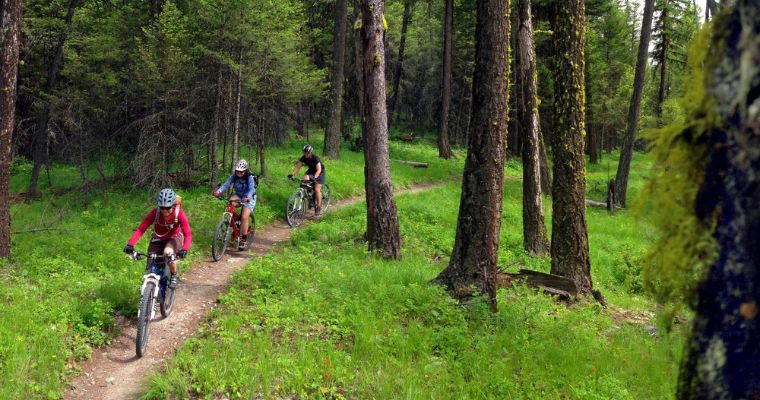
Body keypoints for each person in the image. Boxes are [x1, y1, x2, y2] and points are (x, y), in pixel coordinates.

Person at [124, 188, 192, 289]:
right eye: (162, 207)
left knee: (167, 252)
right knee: (150, 266)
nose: (164, 211)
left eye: (168, 208)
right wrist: (130, 244)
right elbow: (141, 229)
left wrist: (184, 249)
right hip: (158, 238)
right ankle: (149, 294)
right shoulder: (155, 213)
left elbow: (188, 234)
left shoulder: (179, 214)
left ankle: (174, 275)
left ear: (173, 205)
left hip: (174, 237)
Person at [213, 159, 257, 250]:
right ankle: (234, 223)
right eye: (237, 171)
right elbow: (226, 184)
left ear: (245, 171)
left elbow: (251, 189)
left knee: (244, 217)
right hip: (239, 195)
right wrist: (218, 191)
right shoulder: (234, 176)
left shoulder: (249, 177)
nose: (239, 174)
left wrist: (248, 197)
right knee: (229, 203)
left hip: (249, 197)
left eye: (241, 172)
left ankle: (243, 240)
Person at [288, 144, 326, 216]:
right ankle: (310, 199)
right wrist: (292, 174)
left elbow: (319, 169)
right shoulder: (303, 157)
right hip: (311, 170)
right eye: (304, 152)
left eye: (307, 153)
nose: (305, 154)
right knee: (304, 180)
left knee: (317, 189)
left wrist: (315, 177)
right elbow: (298, 167)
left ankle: (318, 207)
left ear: (310, 152)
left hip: (320, 172)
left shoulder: (315, 158)